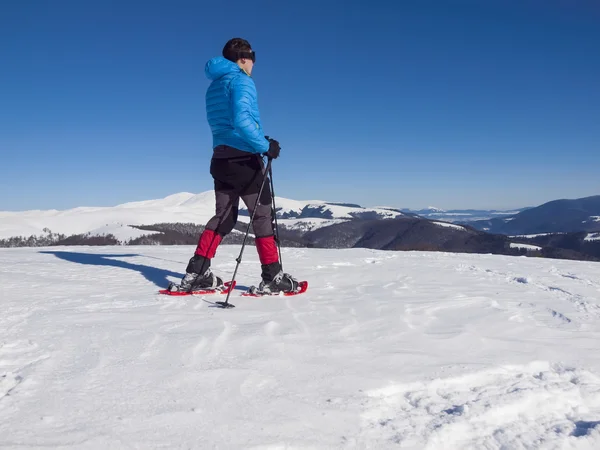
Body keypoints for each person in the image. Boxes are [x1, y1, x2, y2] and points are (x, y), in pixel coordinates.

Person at [168, 37, 300, 295]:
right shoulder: (242, 81)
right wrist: (264, 145)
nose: (253, 65)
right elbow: (241, 120)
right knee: (261, 216)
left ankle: (197, 272)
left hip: (220, 159)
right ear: (242, 58)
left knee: (224, 218)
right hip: (245, 160)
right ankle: (273, 277)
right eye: (252, 59)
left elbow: (224, 124)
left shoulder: (215, 86)